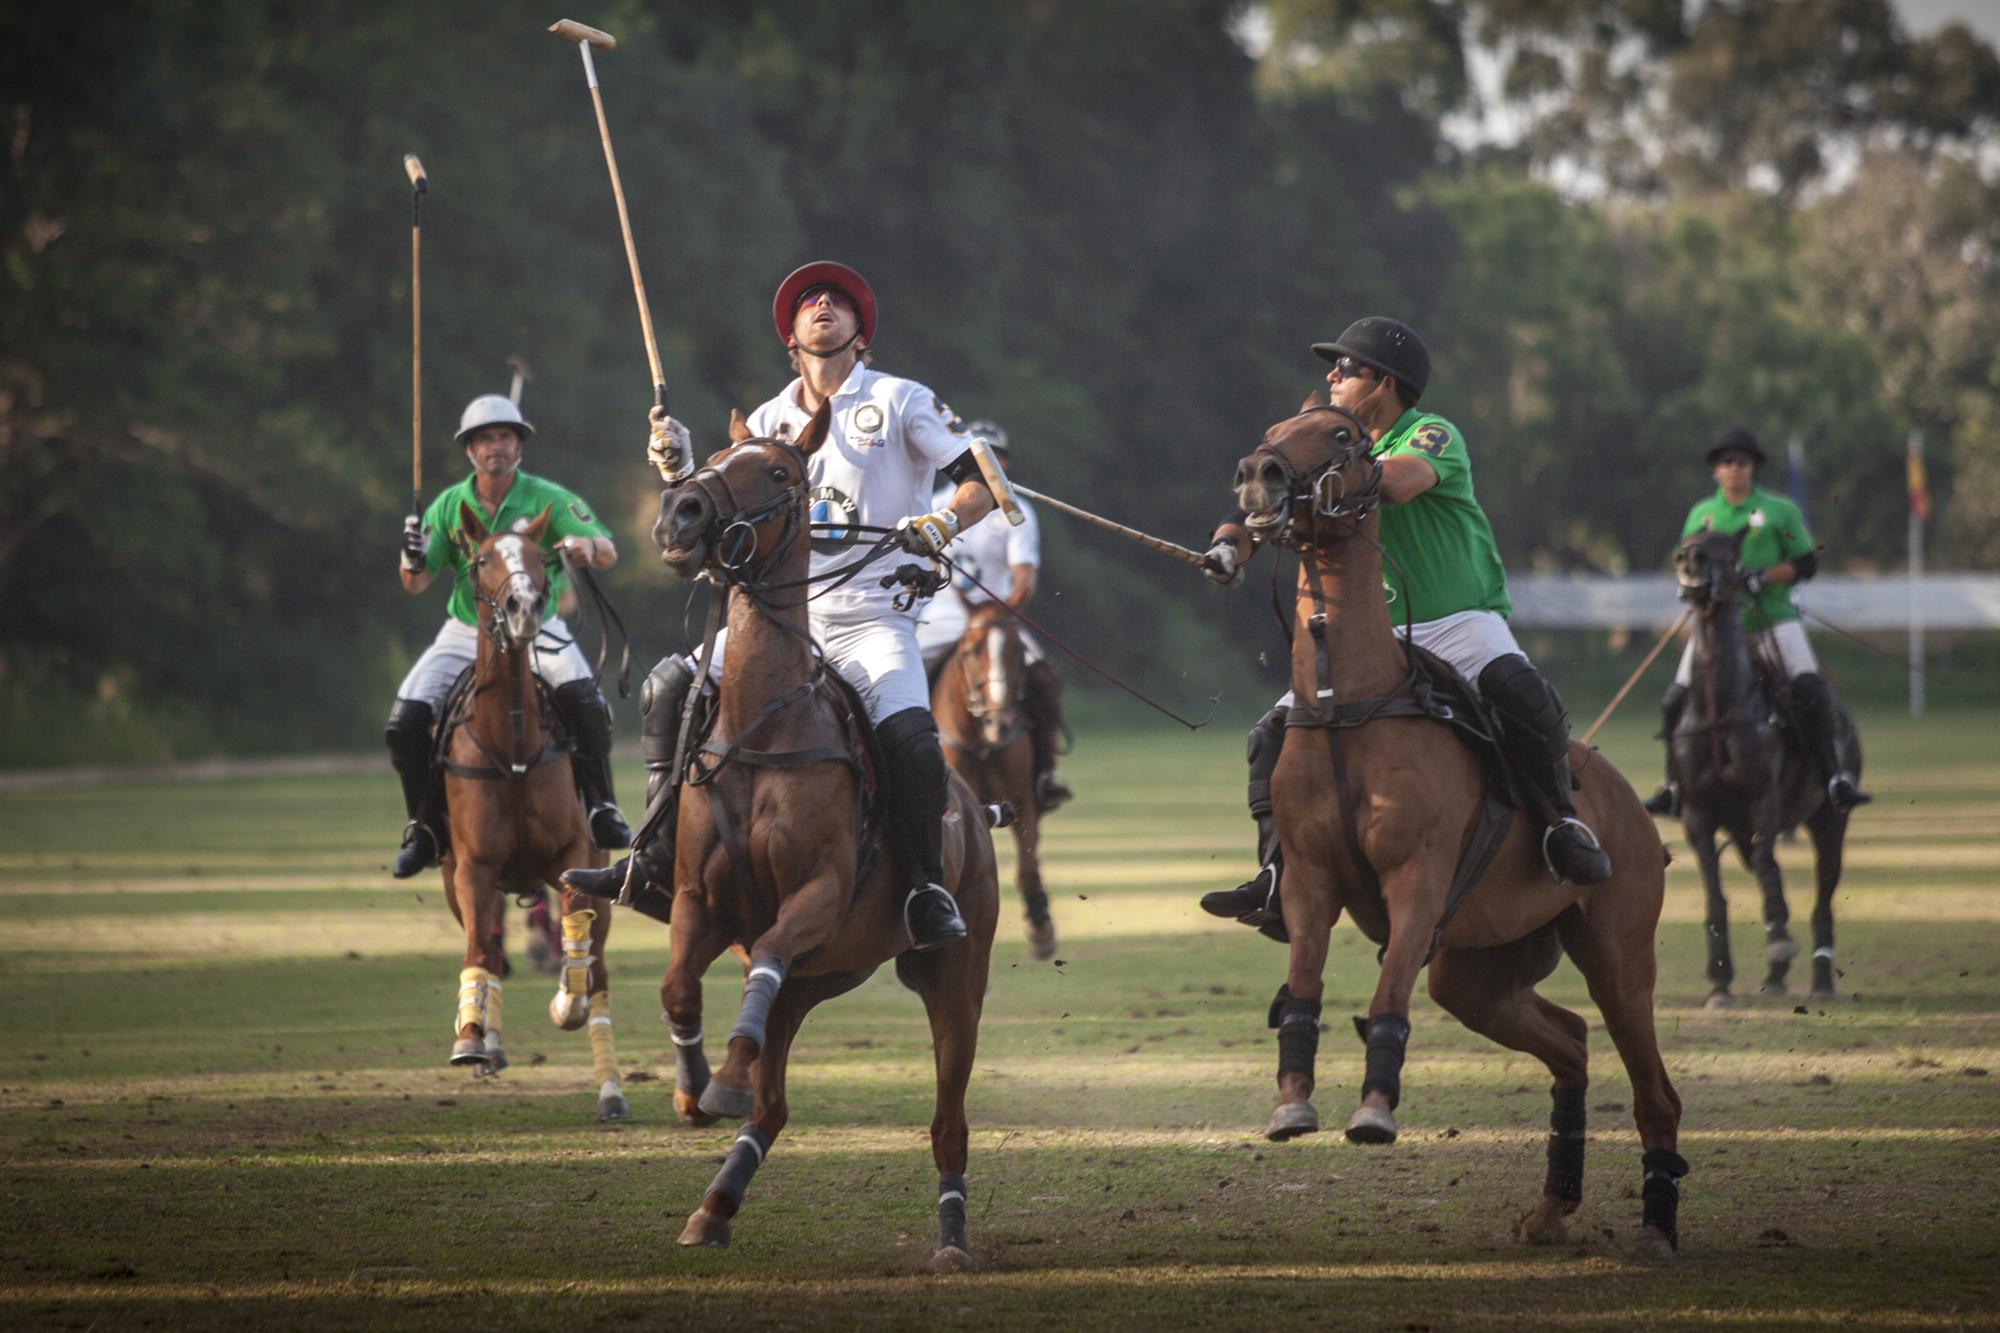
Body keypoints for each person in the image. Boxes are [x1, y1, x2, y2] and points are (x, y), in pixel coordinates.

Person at [571, 262, 1000, 951]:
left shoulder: (899, 399)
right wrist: (679, 469)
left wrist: (943, 524)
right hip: (775, 621)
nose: (822, 302)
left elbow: (981, 482)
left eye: (837, 300)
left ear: (861, 335)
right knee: (666, 687)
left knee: (914, 741)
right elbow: (716, 525)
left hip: (871, 617)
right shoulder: (767, 420)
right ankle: (654, 857)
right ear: (790, 339)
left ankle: (924, 885)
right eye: (808, 301)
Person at [1198, 317, 1612, 938]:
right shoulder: (1324, 453)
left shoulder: (1431, 433)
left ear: (1383, 383)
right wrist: (1231, 547)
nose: (1331, 376)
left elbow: (1397, 484)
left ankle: (1561, 824)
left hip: (1458, 620)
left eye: (1346, 368)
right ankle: (1277, 874)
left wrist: (1324, 483)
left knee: (1523, 695)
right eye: (1332, 368)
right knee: (1269, 736)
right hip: (1374, 636)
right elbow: (1254, 504)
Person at [385, 393, 632, 877]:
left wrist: (584, 545)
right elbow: (416, 584)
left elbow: (607, 551)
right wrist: (409, 557)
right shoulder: (448, 507)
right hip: (466, 632)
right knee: (405, 721)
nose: (494, 446)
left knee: (585, 699)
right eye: (483, 439)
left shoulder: (548, 498)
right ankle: (424, 827)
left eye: (504, 436)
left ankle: (602, 808)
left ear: (519, 447)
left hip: (537, 626)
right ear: (469, 451)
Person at [1643, 427, 1871, 816]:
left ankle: (1835, 778)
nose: (1734, 469)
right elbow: (1685, 560)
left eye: (1742, 462)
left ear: (1754, 468)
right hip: (1715, 630)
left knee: (1811, 691)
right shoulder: (1702, 514)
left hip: (1772, 621)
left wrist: (1763, 576)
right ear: (1716, 470)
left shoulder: (1780, 511)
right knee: (1675, 699)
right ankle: (1672, 785)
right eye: (1727, 462)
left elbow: (1806, 562)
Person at [914, 421, 1073, 812]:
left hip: (997, 621)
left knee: (1044, 681)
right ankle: (909, 771)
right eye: (982, 457)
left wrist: (995, 612)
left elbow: (1024, 579)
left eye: (997, 458)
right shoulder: (935, 507)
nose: (991, 464)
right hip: (941, 618)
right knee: (906, 681)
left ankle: (1045, 773)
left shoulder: (1016, 513)